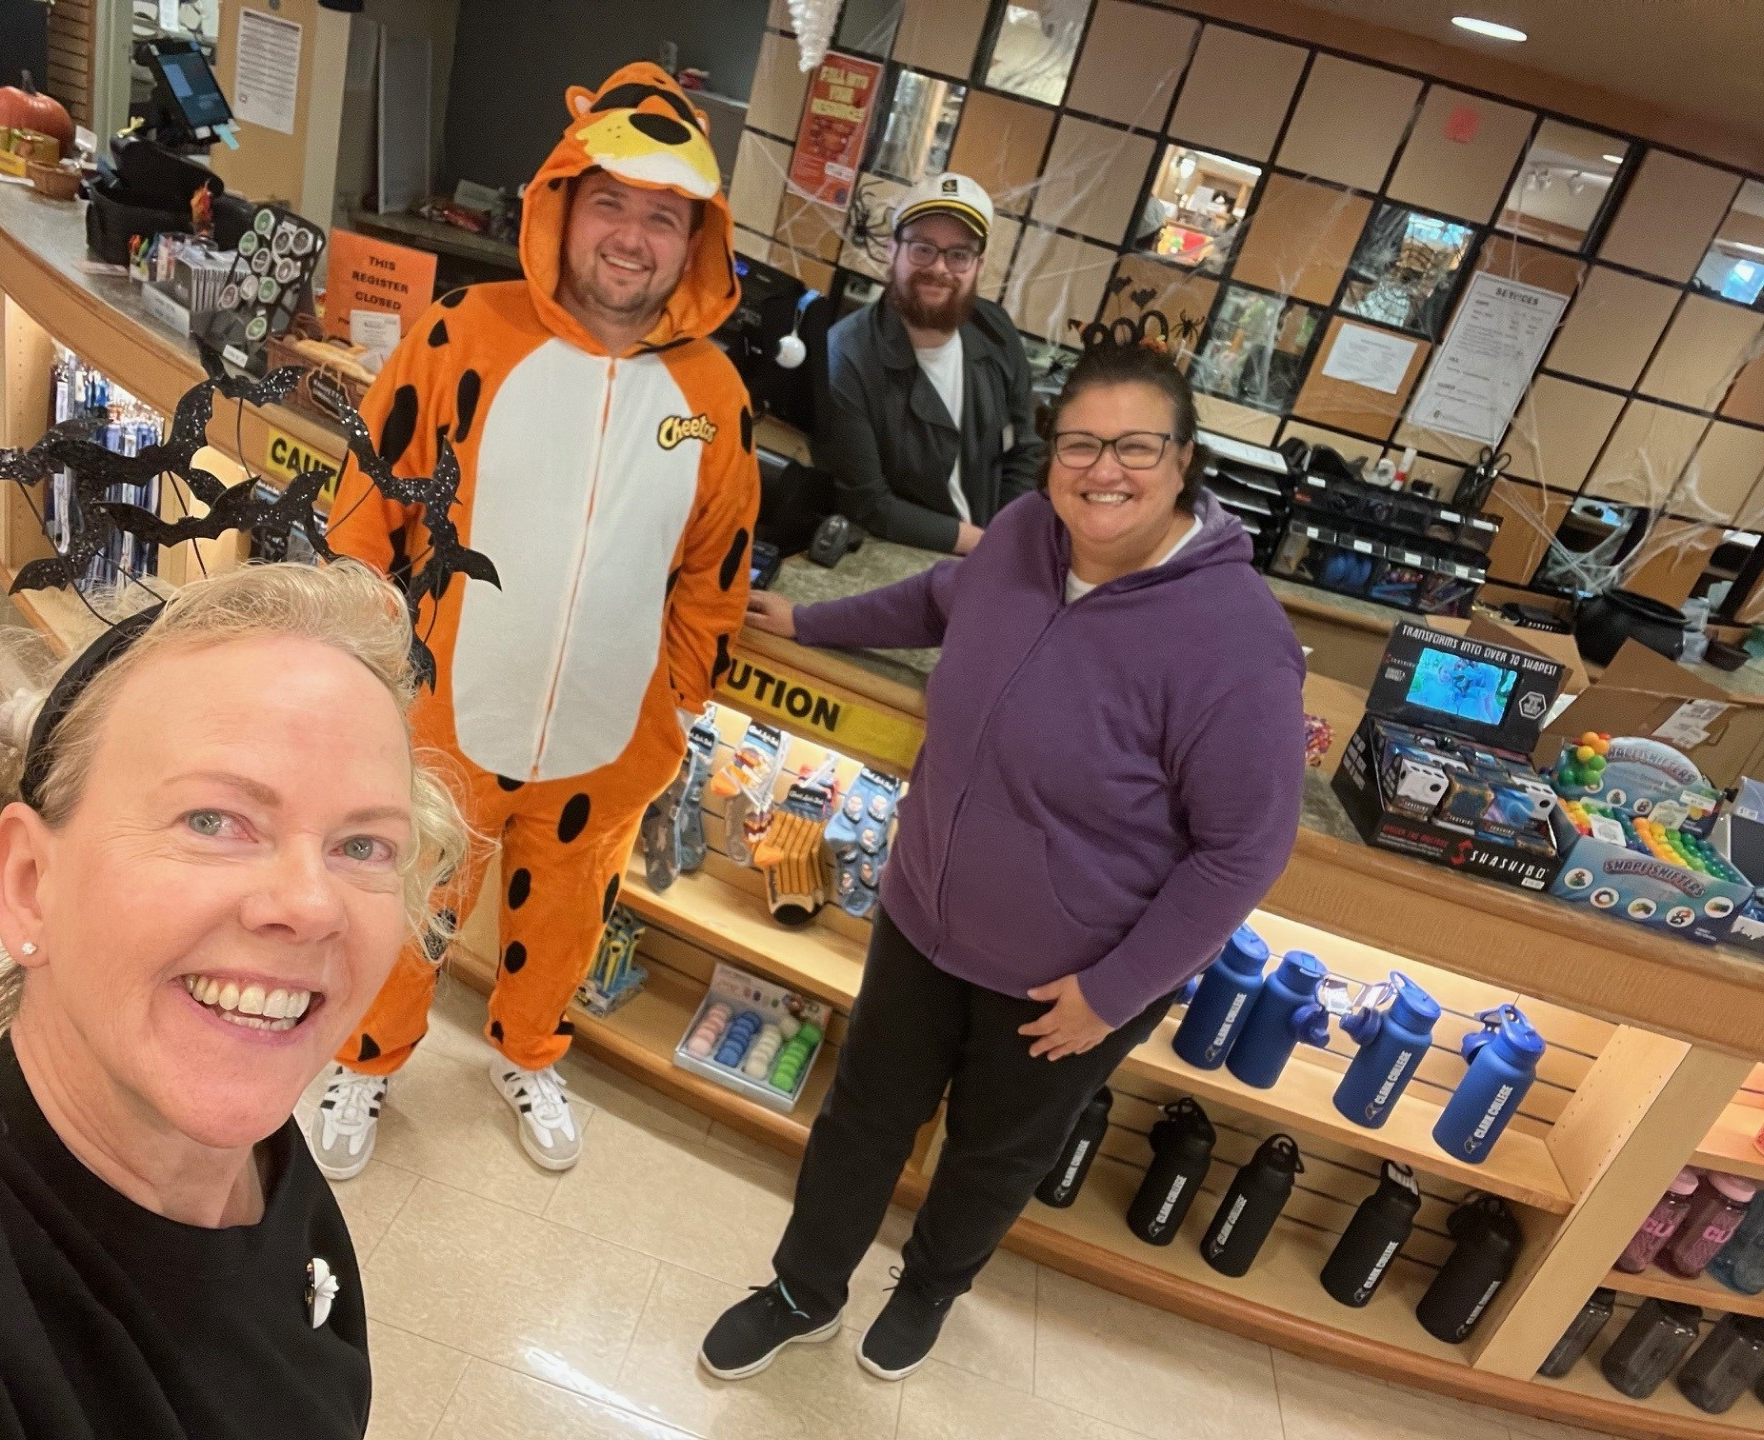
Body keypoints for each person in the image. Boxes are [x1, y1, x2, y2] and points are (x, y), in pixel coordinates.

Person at [700, 340, 1306, 1382]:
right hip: (923, 915)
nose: (1102, 469)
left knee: (993, 1152)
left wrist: (1111, 995)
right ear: (1049, 454)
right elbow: (941, 599)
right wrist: (809, 620)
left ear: (1186, 459)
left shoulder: (1238, 639)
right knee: (861, 1121)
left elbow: (1243, 851)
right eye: (1079, 443)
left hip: (1063, 977)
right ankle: (803, 1290)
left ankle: (930, 1288)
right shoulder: (1028, 532)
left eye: (1135, 446)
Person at [0, 561, 469, 1439]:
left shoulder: (261, 1166)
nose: (312, 905)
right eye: (213, 821)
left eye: (363, 844)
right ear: (29, 882)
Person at [311, 62, 759, 1177]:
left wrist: (680, 700)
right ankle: (363, 1063)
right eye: (610, 202)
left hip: (608, 742)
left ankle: (528, 1050)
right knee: (409, 900)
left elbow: (717, 570)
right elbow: (366, 501)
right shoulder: (467, 331)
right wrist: (364, 664)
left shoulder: (714, 398)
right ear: (561, 205)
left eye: (663, 217)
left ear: (694, 242)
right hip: (443, 712)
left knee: (566, 920)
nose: (631, 238)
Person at [815, 171, 1044, 556]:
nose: (939, 268)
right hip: (900, 561)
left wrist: (1006, 544)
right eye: (922, 248)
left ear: (978, 264)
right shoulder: (847, 357)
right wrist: (986, 546)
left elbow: (1024, 452)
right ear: (893, 250)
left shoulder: (996, 331)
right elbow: (869, 502)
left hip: (992, 557)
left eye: (959, 255)